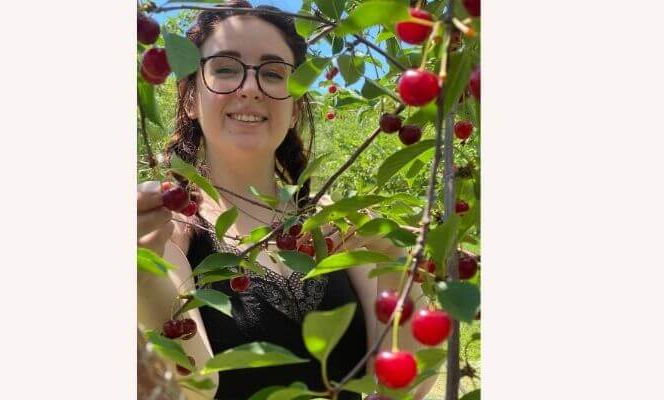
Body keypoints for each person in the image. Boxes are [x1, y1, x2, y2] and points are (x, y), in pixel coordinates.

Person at [137, 2, 438, 399]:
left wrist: (397, 257)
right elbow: (194, 388)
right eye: (225, 68)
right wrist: (142, 273)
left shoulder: (332, 224)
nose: (249, 87)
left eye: (273, 73)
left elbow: (405, 385)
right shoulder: (172, 232)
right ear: (191, 99)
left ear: (295, 107)